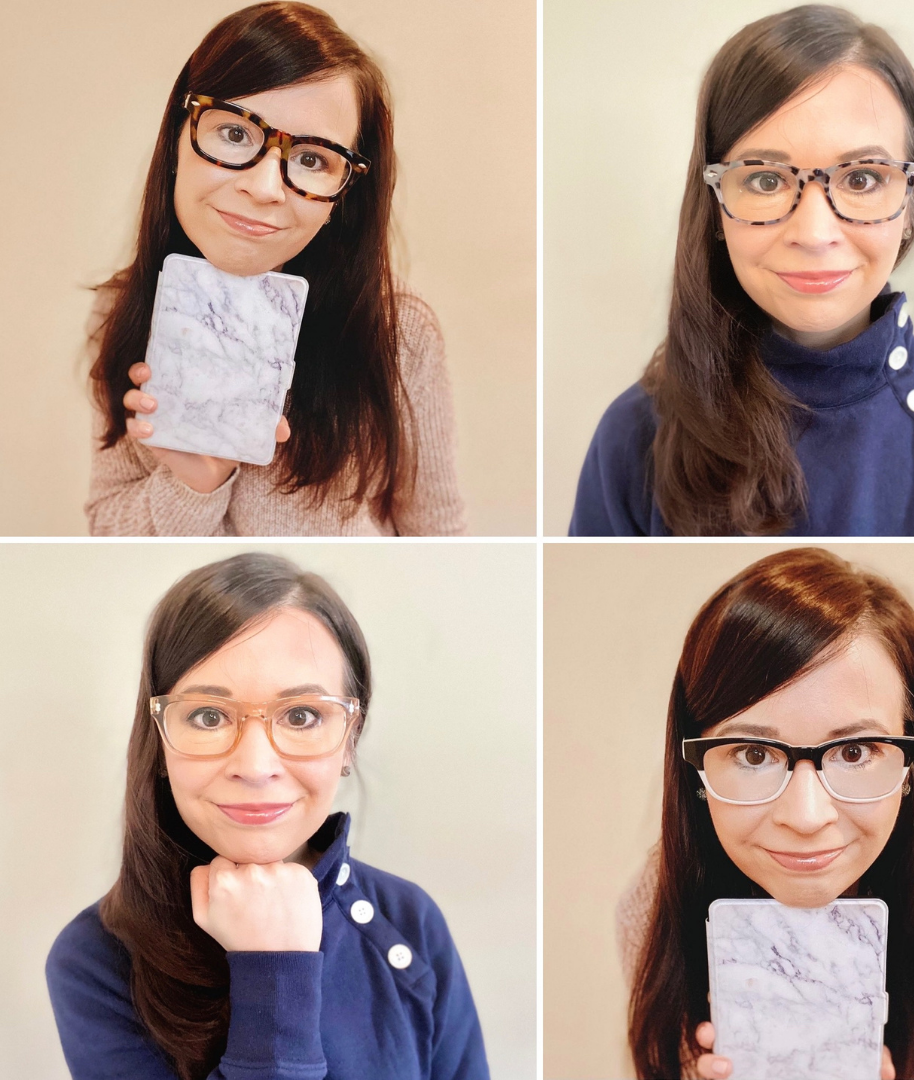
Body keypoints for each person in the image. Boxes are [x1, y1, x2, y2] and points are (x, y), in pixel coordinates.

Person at [570, 5, 914, 537]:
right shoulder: (635, 435)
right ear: (716, 205)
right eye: (767, 180)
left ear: (913, 201)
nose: (814, 234)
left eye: (862, 178)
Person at [46, 553, 489, 1080]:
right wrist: (274, 973)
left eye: (302, 716)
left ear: (349, 739)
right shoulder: (95, 959)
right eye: (208, 717)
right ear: (159, 738)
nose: (255, 767)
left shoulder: (410, 923)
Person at [618, 548, 914, 1079]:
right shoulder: (654, 903)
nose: (806, 818)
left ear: (912, 764)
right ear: (696, 769)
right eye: (754, 755)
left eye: (855, 752)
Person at [85, 2, 466, 536]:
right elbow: (105, 526)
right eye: (235, 134)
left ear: (345, 195)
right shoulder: (127, 306)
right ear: (177, 135)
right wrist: (194, 482)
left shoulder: (399, 331)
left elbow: (437, 534)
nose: (263, 188)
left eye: (312, 159)